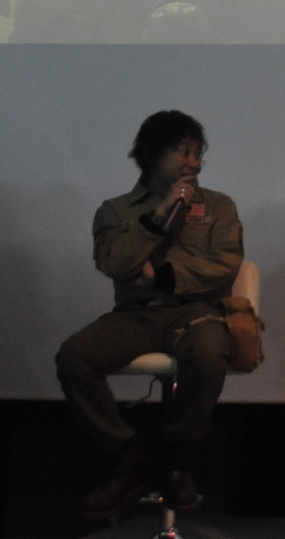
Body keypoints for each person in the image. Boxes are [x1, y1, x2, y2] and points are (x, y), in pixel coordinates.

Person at [55, 110, 243, 520]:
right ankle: (128, 455)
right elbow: (115, 264)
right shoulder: (115, 211)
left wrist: (163, 278)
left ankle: (178, 455)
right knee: (74, 357)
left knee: (209, 352)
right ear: (153, 155)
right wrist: (159, 216)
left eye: (198, 153)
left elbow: (225, 265)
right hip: (136, 316)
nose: (194, 163)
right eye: (184, 152)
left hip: (195, 312)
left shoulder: (219, 206)